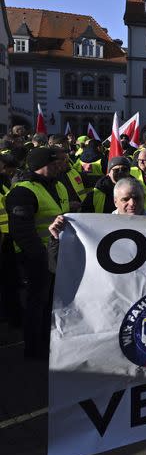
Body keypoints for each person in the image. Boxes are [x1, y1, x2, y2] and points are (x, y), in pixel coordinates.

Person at [5, 147, 70, 359]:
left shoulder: (58, 184)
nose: (59, 165)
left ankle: (49, 341)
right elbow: (21, 231)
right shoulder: (23, 191)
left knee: (52, 301)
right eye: (54, 162)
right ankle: (34, 349)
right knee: (37, 302)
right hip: (37, 257)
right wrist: (41, 257)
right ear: (41, 166)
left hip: (57, 252)